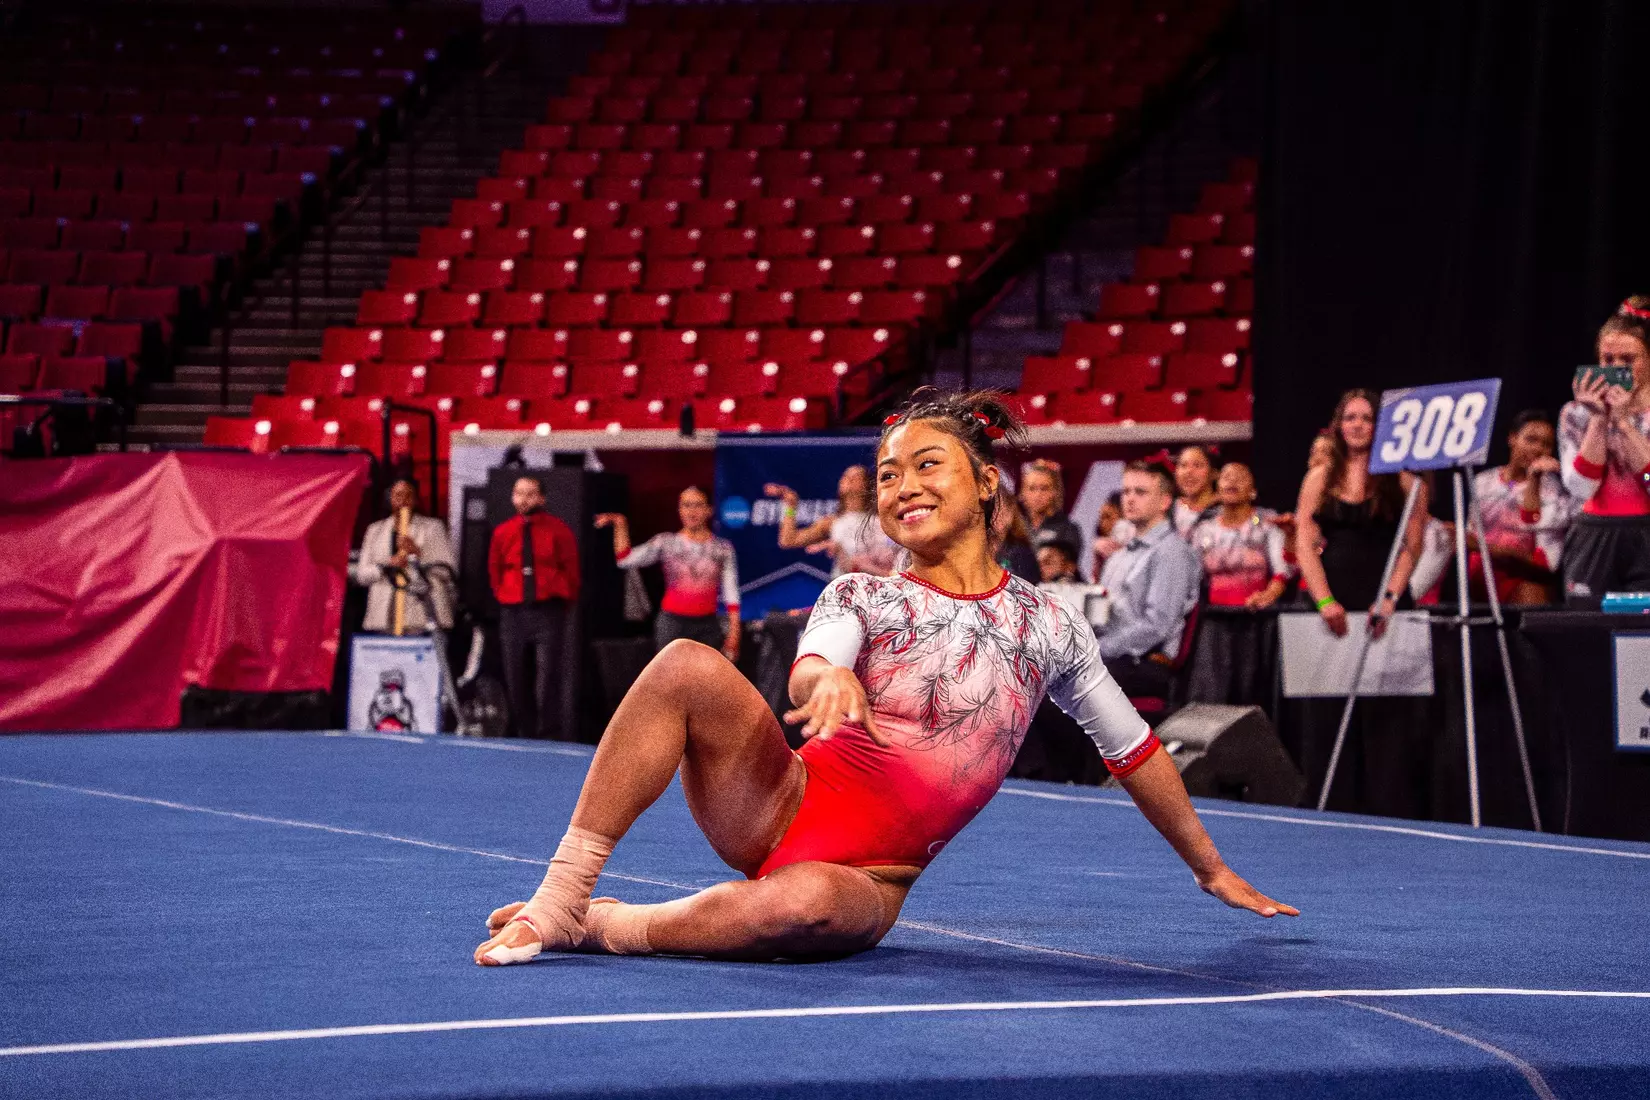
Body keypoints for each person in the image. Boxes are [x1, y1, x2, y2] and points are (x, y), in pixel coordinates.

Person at [473, 390, 1295, 966]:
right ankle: (565, 894)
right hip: (775, 799)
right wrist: (825, 678)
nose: (902, 486)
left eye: (927, 465)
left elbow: (1135, 749)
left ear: (985, 482)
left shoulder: (1050, 625)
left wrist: (1207, 864)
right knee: (686, 663)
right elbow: (817, 659)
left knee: (799, 908)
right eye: (889, 474)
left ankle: (608, 926)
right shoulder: (865, 591)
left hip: (867, 879)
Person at [1291, 390, 1431, 816]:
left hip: (1384, 602)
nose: (1356, 425)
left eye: (1366, 418)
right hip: (1331, 603)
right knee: (1327, 715)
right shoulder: (1320, 476)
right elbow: (1304, 543)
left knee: (1387, 717)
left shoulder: (1404, 479)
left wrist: (1389, 599)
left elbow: (1413, 545)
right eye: (1349, 417)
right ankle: (1328, 810)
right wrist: (1324, 600)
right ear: (1338, 424)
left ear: (1381, 426)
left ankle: (1391, 811)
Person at [1558, 297, 1650, 603]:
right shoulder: (1576, 413)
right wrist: (1599, 419)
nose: (1616, 369)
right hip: (1594, 534)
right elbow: (1581, 488)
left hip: (1645, 534)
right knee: (1586, 633)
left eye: (1628, 359)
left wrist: (1623, 423)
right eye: (1608, 359)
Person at [1094, 462, 1203, 699]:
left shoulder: (1172, 552)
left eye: (1140, 492)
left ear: (1165, 501)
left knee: (1049, 695)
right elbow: (1101, 616)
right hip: (1114, 658)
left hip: (1145, 664)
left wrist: (1095, 650)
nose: (1130, 499)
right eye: (1126, 492)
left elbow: (1156, 625)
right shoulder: (1118, 556)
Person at [596, 487, 741, 659]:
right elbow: (625, 559)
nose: (691, 511)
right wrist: (620, 523)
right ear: (679, 510)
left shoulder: (722, 549)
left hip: (707, 624)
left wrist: (735, 631)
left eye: (697, 505)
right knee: (670, 682)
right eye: (686, 505)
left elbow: (731, 591)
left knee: (704, 683)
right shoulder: (665, 543)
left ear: (709, 510)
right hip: (672, 623)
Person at [489, 476, 580, 740]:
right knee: (515, 674)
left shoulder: (558, 530)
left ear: (542, 498)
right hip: (514, 611)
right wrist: (504, 595)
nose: (524, 499)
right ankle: (522, 731)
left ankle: (548, 732)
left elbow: (571, 571)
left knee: (547, 676)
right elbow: (494, 570)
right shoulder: (503, 532)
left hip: (546, 610)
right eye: (519, 493)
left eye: (530, 494)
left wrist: (560, 600)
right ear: (512, 497)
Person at [1461, 410, 1572, 605]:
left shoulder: (1553, 491)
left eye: (1546, 444)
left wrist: (1492, 550)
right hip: (1481, 578)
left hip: (1525, 581)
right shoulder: (1482, 482)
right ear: (1512, 438)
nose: (1538, 449)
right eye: (1531, 439)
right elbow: (1470, 538)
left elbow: (1546, 564)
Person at [352, 478, 456, 633]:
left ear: (415, 500)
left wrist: (417, 554)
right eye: (398, 495)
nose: (403, 501)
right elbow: (362, 575)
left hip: (421, 615)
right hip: (384, 616)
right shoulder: (375, 530)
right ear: (390, 499)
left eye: (408, 496)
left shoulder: (433, 528)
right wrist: (386, 567)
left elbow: (448, 572)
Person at [765, 466, 898, 577]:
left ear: (868, 485)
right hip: (843, 589)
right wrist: (790, 507)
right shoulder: (832, 522)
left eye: (857, 476)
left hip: (877, 585)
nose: (849, 479)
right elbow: (788, 540)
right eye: (845, 476)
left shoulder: (881, 519)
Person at [1188, 463, 1288, 609]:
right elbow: (1191, 576)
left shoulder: (1268, 523)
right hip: (1212, 616)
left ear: (1253, 491)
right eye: (1226, 477)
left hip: (1258, 612)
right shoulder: (1203, 529)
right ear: (1218, 489)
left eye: (1240, 478)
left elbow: (1282, 571)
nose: (1232, 481)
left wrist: (1268, 596)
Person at [1018, 458, 1084, 558]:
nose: (1038, 495)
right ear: (1022, 493)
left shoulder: (1068, 530)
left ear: (1055, 492)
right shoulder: (1014, 528)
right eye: (1032, 488)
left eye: (1044, 488)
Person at [1170, 445, 1220, 536]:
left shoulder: (1228, 509)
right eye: (1183, 465)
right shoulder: (1166, 510)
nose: (1189, 471)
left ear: (1214, 473)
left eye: (1197, 465)